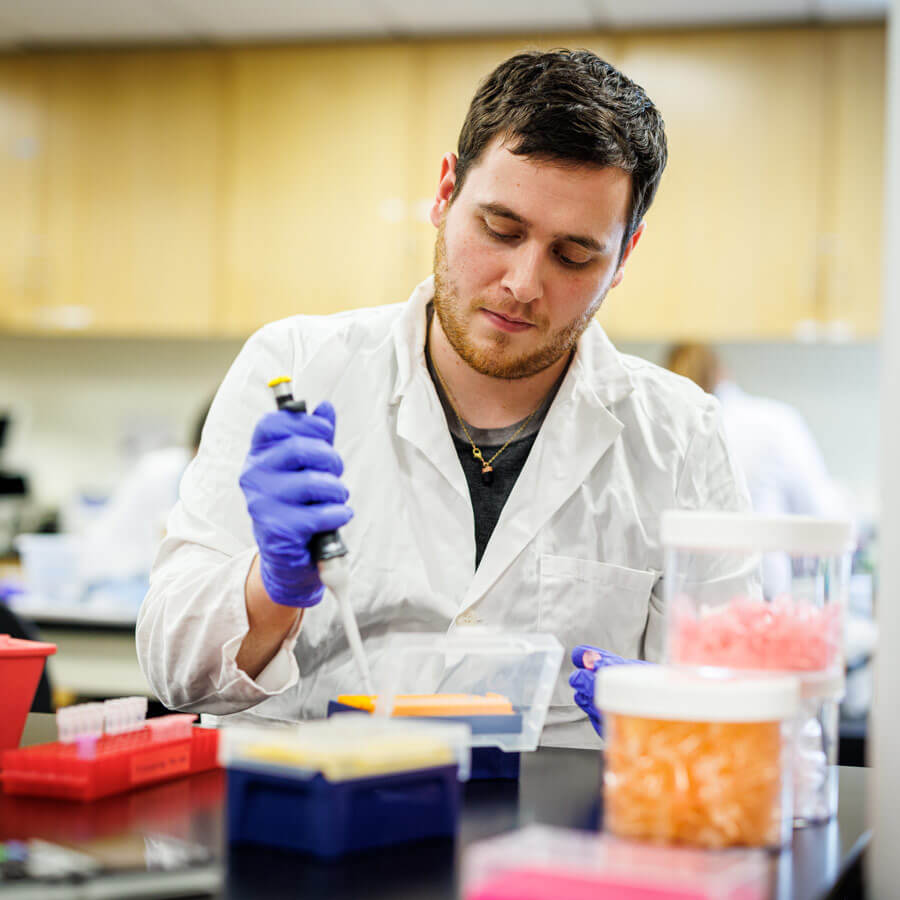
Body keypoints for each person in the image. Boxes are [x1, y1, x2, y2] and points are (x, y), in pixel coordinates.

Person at [137, 50, 750, 748]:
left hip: (554, 843)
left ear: (624, 257)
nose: (522, 281)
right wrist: (270, 589)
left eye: (573, 255)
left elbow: (736, 711)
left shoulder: (682, 435)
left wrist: (676, 720)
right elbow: (172, 673)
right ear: (445, 191)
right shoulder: (296, 370)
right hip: (315, 823)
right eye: (501, 228)